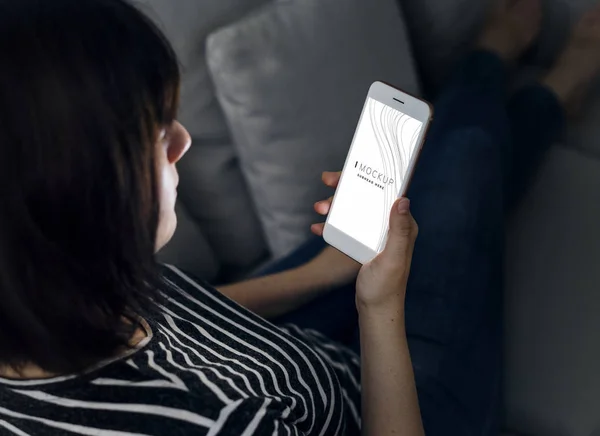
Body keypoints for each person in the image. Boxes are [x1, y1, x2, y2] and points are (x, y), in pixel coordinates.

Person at [0, 0, 598, 434]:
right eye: (155, 137)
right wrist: (378, 306)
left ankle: (502, 75)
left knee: (429, 176)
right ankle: (520, 85)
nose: (182, 141)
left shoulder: (47, 283)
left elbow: (186, 319)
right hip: (397, 406)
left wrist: (327, 273)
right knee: (462, 159)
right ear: (73, 189)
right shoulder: (228, 422)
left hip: (296, 350)